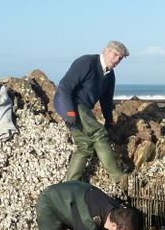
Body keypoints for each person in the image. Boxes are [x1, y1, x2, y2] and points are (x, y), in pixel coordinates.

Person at [53, 41, 130, 183]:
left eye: (120, 58)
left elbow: (106, 100)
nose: (117, 59)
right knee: (99, 133)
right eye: (115, 54)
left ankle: (71, 183)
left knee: (85, 146)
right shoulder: (87, 62)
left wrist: (109, 120)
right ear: (106, 50)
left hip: (83, 107)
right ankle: (117, 177)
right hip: (70, 102)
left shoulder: (110, 75)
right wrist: (70, 112)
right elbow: (64, 86)